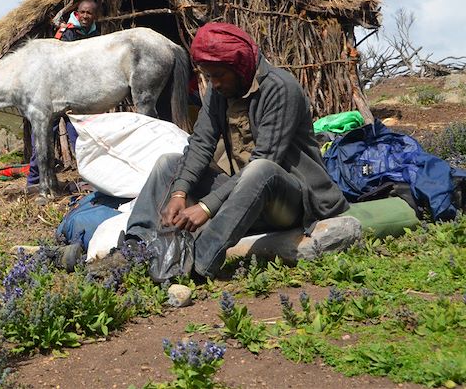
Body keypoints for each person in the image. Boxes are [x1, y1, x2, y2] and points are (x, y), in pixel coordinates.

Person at [122, 22, 349, 281]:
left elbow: (266, 158)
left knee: (260, 169)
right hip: (241, 198)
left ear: (239, 66)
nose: (214, 83)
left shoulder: (280, 88)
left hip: (292, 200)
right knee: (168, 163)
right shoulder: (220, 92)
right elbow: (201, 143)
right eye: (208, 77)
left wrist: (206, 207)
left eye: (219, 75)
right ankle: (135, 248)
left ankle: (197, 265)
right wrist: (179, 192)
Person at [26, 0, 101, 188]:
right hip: (55, 95)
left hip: (78, 97)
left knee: (81, 137)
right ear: (76, 12)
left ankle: (89, 177)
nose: (85, 16)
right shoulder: (66, 33)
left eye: (89, 13)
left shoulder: (95, 35)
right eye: (82, 12)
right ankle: (33, 181)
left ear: (95, 16)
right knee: (42, 136)